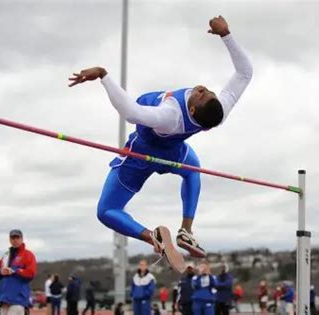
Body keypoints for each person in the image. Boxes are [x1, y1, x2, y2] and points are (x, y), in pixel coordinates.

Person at [68, 15, 253, 270]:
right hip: (174, 153)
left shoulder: (170, 114)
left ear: (193, 110)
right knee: (193, 169)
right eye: (206, 91)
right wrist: (226, 35)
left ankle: (151, 236)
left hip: (140, 154)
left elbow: (132, 112)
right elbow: (245, 73)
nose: (201, 89)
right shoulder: (217, 111)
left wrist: (103, 75)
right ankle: (184, 231)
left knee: (106, 210)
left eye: (201, 95)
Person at [0, 229, 37, 315]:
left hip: (18, 299)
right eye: (12, 238)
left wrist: (15, 271)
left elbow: (31, 273)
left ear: (22, 239)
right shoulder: (6, 255)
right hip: (4, 299)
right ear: (10, 240)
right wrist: (1, 272)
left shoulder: (28, 255)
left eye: (17, 237)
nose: (15, 240)